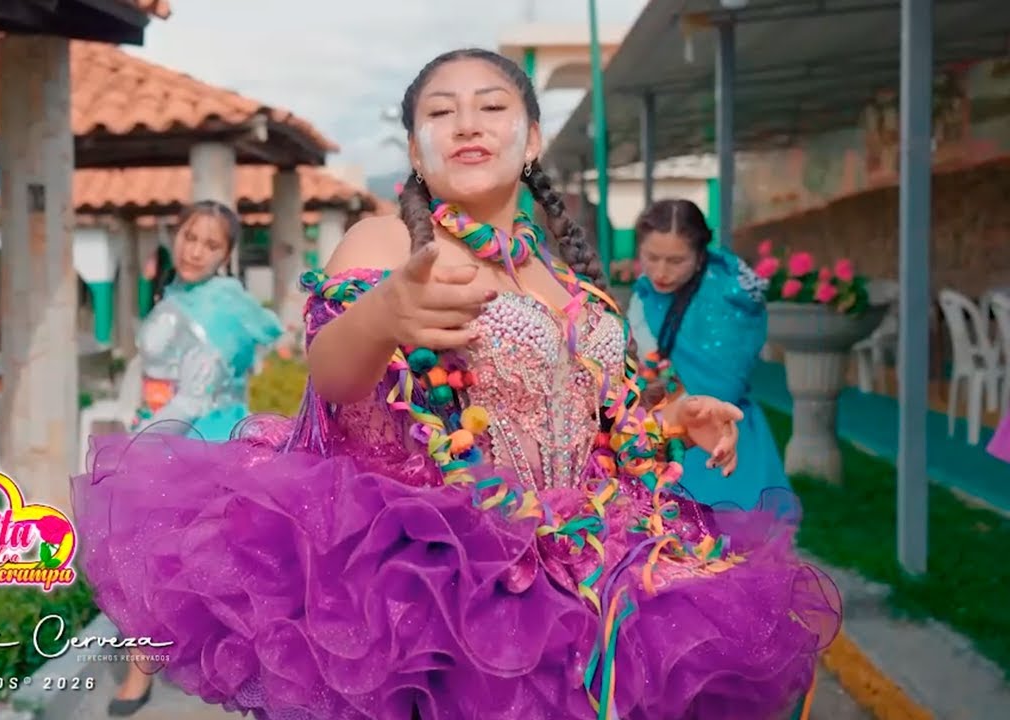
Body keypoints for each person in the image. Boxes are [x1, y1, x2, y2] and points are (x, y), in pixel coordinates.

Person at [75, 50, 840, 720]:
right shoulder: (387, 241)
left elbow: (588, 415)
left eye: (493, 106)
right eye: (441, 112)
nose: (468, 122)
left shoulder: (562, 272)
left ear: (531, 137)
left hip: (589, 570)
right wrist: (384, 313)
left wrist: (671, 419)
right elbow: (335, 377)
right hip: (439, 582)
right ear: (415, 146)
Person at [107, 200, 283, 716]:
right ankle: (146, 669)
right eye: (190, 236)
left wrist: (139, 444)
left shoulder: (220, 305)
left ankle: (248, 673)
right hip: (163, 429)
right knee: (150, 560)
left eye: (211, 244)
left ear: (226, 255)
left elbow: (194, 395)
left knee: (195, 562)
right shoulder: (180, 291)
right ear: (174, 233)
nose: (195, 250)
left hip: (198, 440)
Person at [626, 199, 790, 510]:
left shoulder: (731, 298)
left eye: (676, 261)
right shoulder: (644, 294)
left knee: (727, 545)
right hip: (662, 436)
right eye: (652, 257)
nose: (660, 271)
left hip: (721, 437)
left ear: (700, 257)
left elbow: (725, 382)